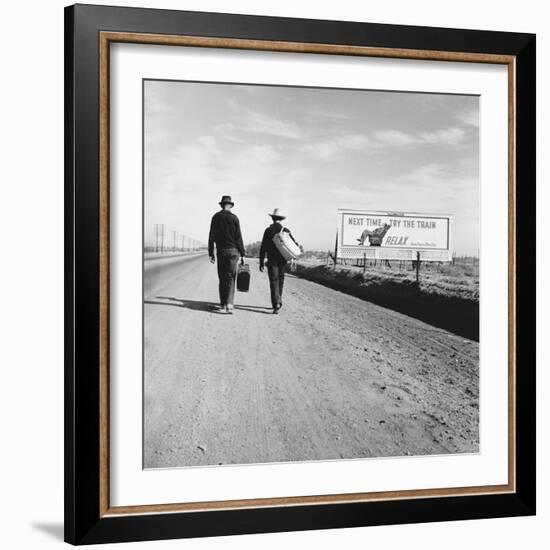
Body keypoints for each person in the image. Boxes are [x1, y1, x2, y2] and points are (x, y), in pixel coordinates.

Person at [208, 195, 245, 314]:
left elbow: (211, 236)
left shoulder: (216, 217)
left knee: (222, 277)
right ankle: (229, 304)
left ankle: (223, 304)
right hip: (234, 251)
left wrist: (211, 253)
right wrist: (242, 252)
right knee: (231, 277)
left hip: (222, 251)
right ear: (230, 205)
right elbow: (238, 237)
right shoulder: (235, 218)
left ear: (222, 205)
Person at [259, 208, 299, 314]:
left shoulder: (268, 230)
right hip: (282, 260)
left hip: (272, 261)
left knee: (273, 282)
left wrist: (261, 261)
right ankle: (279, 300)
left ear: (272, 218)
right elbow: (294, 244)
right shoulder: (285, 230)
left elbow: (263, 247)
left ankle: (276, 303)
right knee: (280, 281)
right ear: (281, 219)